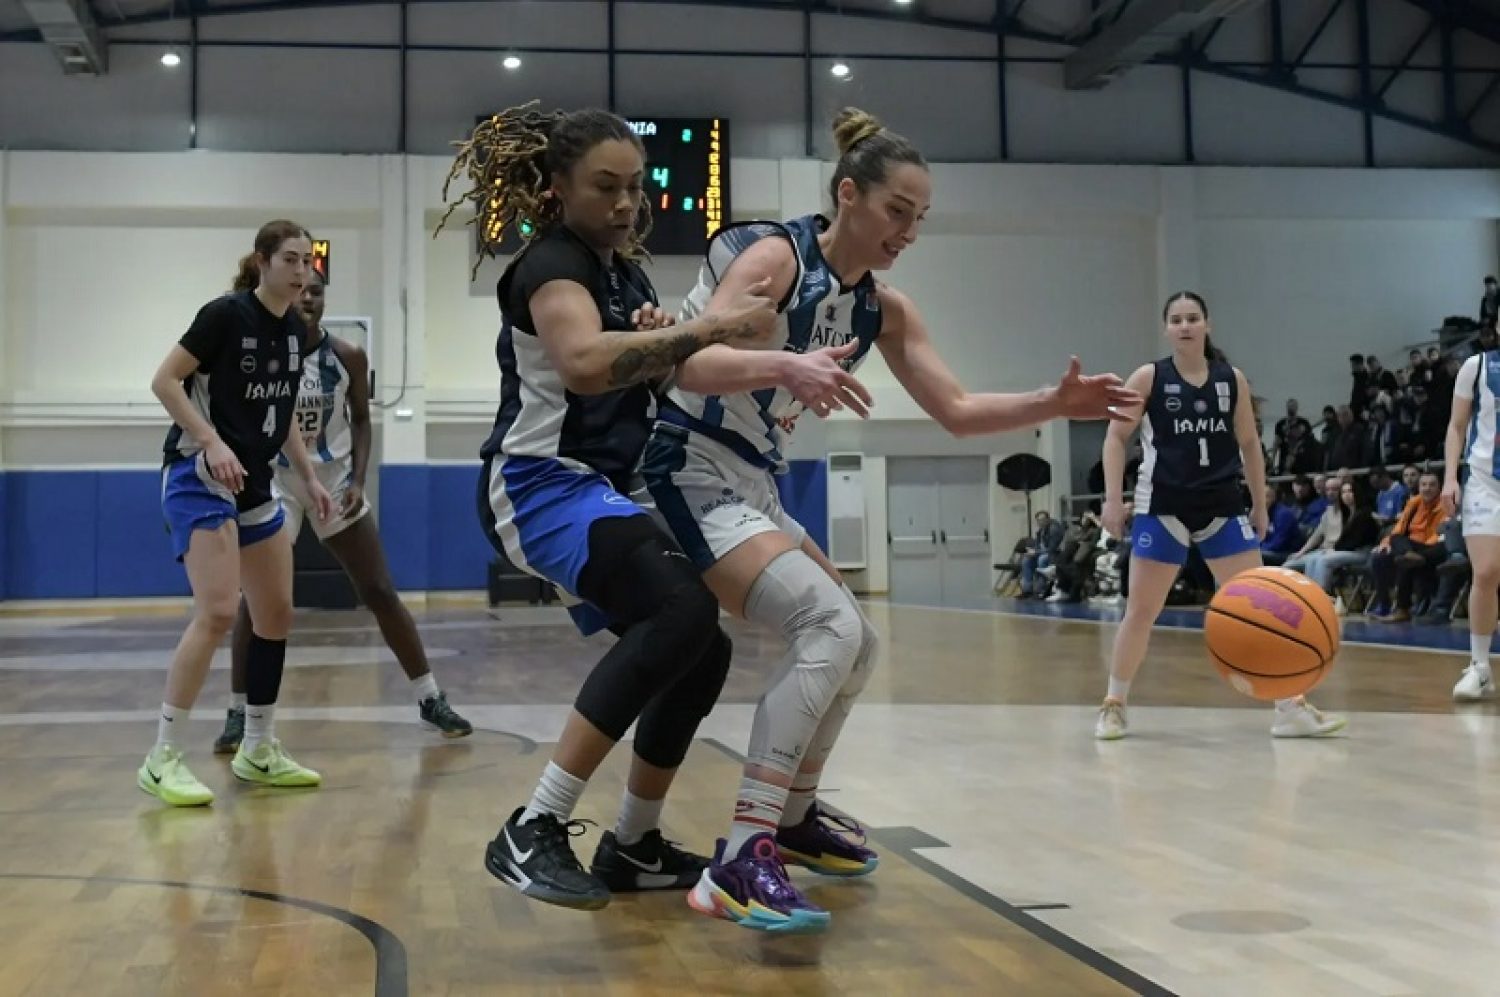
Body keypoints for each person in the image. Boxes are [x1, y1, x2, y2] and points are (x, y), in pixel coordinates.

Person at [638, 107, 1138, 934]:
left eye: (920, 217)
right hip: (685, 463)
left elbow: (958, 410)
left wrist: (1052, 402)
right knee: (828, 624)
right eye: (896, 210)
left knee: (859, 642)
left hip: (753, 481)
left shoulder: (882, 309)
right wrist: (784, 364)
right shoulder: (774, 257)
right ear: (848, 195)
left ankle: (791, 817)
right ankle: (740, 855)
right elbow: (689, 360)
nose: (908, 231)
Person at [438, 105, 848, 912]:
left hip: (604, 485)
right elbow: (584, 364)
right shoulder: (553, 263)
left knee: (702, 647)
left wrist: (718, 356)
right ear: (558, 188)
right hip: (539, 482)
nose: (626, 204)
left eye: (636, 187)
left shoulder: (623, 276)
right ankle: (534, 823)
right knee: (678, 608)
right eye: (606, 187)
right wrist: (705, 326)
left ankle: (633, 841)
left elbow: (652, 369)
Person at [214, 267, 472, 755]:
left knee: (378, 588)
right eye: (300, 290)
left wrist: (357, 479)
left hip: (331, 480)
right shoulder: (262, 354)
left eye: (316, 292)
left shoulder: (347, 356)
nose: (308, 298)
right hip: (277, 481)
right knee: (259, 599)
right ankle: (237, 710)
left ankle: (429, 697)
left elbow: (361, 421)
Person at [1094, 291, 1346, 741]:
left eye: (1193, 318)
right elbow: (1115, 438)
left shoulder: (1232, 380)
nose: (1185, 326)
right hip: (1163, 504)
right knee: (1141, 611)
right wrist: (1113, 499)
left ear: (1207, 324)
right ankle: (1114, 704)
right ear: (1166, 329)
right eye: (1176, 319)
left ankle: (1289, 707)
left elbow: (1249, 444)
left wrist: (1260, 504)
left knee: (1263, 606)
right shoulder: (1149, 377)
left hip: (1222, 505)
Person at [141, 219, 332, 807]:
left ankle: (259, 747)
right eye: (291, 259)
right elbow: (165, 381)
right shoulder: (224, 316)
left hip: (254, 481)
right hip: (199, 476)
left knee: (275, 614)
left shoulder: (296, 330)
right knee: (220, 611)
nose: (302, 271)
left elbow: (282, 411)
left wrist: (308, 475)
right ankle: (162, 757)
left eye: (307, 261)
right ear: (262, 261)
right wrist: (211, 441)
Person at [1445, 346, 1500, 699]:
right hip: (1484, 481)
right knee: (1486, 571)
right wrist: (1450, 477)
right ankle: (1479, 667)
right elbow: (1457, 426)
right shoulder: (1477, 366)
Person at [1367, 471, 1449, 622]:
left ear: (1439, 488)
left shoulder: (1445, 504)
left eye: (1432, 485)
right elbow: (1399, 529)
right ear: (1419, 487)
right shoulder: (1414, 503)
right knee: (1383, 554)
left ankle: (1402, 609)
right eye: (1424, 485)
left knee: (1408, 559)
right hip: (1410, 548)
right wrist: (1385, 544)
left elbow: (1441, 534)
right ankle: (1383, 605)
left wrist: (1416, 552)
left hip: (1432, 548)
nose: (1427, 488)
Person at [1283, 478, 1377, 593]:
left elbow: (1356, 541)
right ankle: (1309, 593)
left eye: (1350, 491)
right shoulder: (1347, 514)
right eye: (1344, 492)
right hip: (1344, 550)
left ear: (1357, 493)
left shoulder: (1364, 514)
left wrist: (1334, 549)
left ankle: (1321, 595)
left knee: (1324, 560)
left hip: (1362, 552)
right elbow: (1319, 535)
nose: (1346, 495)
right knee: (1312, 559)